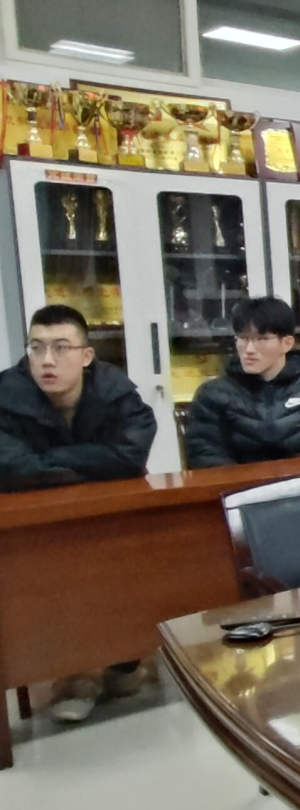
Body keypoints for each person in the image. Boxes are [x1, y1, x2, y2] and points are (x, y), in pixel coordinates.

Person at [0, 304, 158, 722]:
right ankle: (74, 674)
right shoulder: (6, 395)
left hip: (110, 520)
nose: (46, 360)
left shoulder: (115, 392)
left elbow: (129, 455)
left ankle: (125, 659)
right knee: (55, 572)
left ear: (86, 356)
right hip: (38, 528)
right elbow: (11, 468)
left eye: (60, 348)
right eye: (36, 348)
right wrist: (92, 462)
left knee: (137, 556)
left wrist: (51, 460)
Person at [183, 297, 300, 468]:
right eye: (242, 338)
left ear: (286, 343)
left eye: (261, 339)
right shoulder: (212, 394)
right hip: (239, 484)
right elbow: (206, 460)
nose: (249, 349)